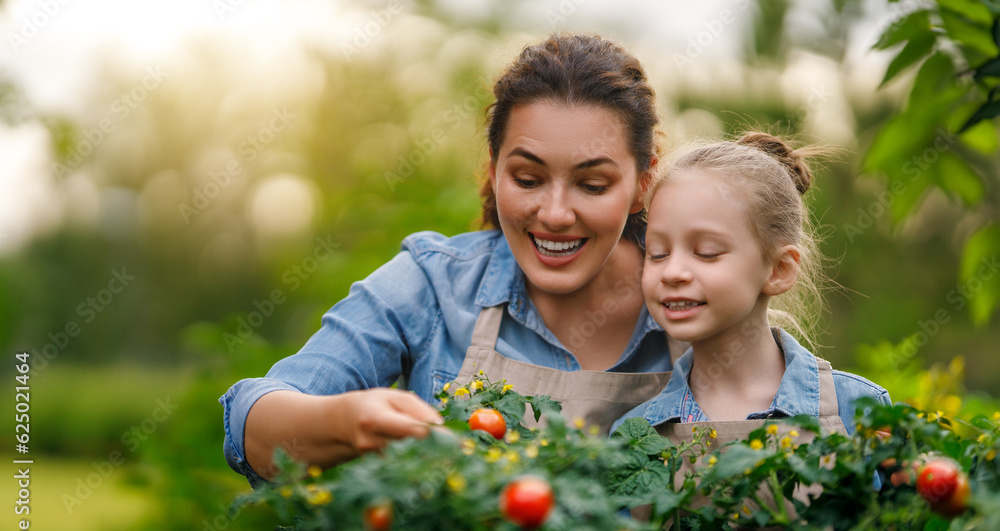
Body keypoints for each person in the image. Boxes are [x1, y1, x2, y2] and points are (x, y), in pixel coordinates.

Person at [221, 33, 687, 487]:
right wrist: (345, 421)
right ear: (493, 168)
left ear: (642, 184)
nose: (555, 214)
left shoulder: (697, 297)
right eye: (527, 178)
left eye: (592, 185)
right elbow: (252, 419)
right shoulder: (434, 283)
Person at [612, 132, 890, 444]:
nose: (672, 272)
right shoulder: (634, 434)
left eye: (706, 252)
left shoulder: (857, 409)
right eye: (658, 253)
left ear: (779, 270)